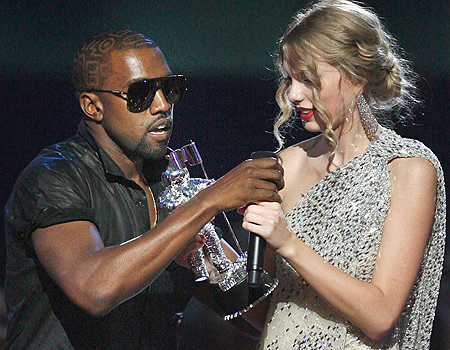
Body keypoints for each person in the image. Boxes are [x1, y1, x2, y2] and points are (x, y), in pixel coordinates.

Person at [4, 29, 283, 349]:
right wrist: (208, 202)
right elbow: (94, 290)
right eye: (141, 93)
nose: (162, 105)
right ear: (93, 106)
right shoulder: (54, 176)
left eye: (170, 88)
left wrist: (271, 241)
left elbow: (261, 318)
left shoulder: (171, 182)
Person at [241, 1, 446, 349]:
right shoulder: (290, 163)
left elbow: (380, 316)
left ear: (357, 77)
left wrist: (288, 243)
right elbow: (269, 311)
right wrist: (211, 258)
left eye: (308, 79)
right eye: (290, 79)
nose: (293, 94)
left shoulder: (408, 168)